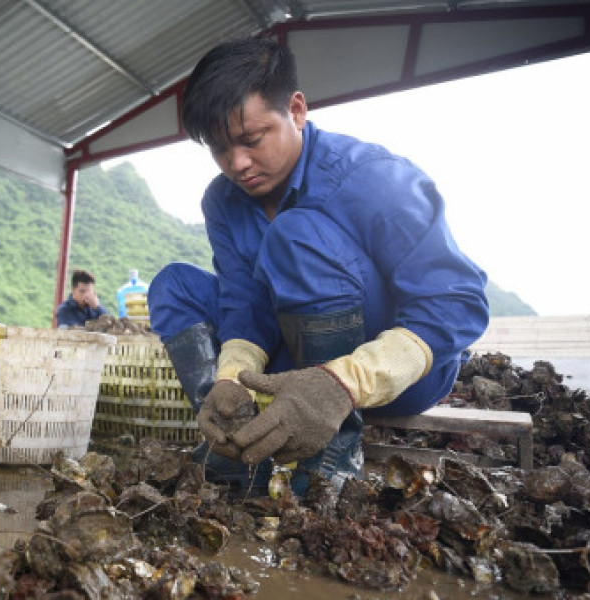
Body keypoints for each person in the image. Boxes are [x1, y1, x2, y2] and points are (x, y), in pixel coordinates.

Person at [149, 37, 489, 495]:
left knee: (294, 235)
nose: (238, 164)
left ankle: (331, 451)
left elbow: (459, 303)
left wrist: (342, 384)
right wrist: (231, 380)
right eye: (219, 149)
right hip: (296, 353)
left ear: (296, 110)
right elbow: (244, 304)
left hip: (398, 373)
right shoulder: (222, 201)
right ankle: (232, 438)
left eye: (251, 140)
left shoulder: (371, 178)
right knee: (174, 285)